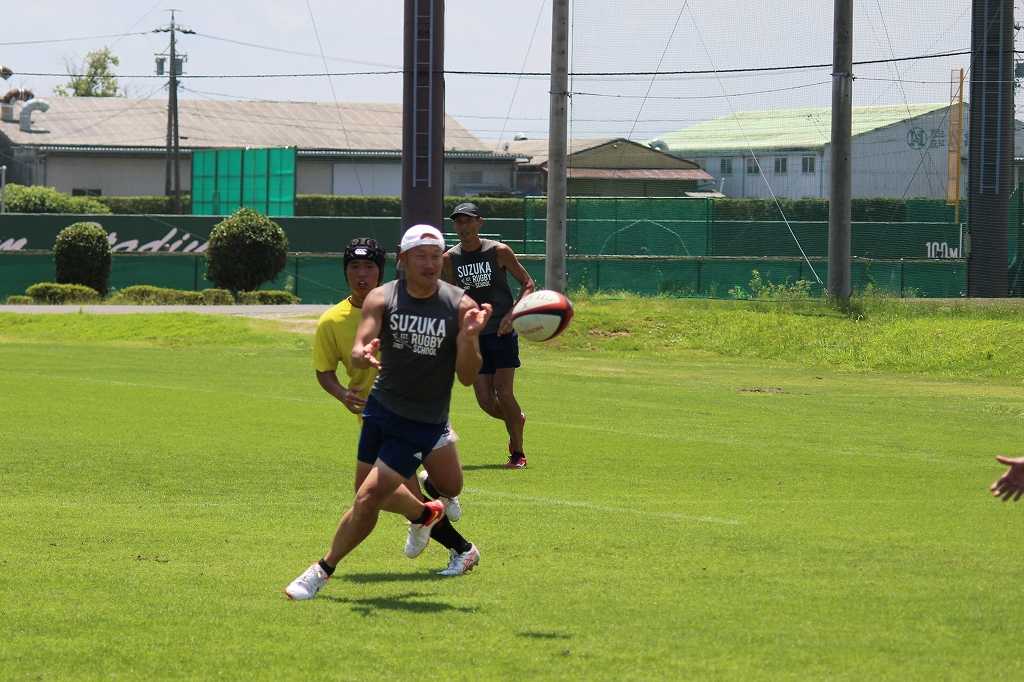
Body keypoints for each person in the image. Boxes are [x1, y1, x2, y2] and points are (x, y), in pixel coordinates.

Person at [285, 226, 491, 600]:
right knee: (366, 497)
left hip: (420, 419)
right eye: (421, 256)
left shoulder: (460, 306)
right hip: (380, 410)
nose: (429, 263)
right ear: (404, 259)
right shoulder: (383, 298)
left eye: (436, 256)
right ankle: (429, 516)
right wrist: (362, 353)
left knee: (369, 498)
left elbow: (466, 376)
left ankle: (321, 571)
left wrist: (469, 338)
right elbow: (360, 343)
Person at [443, 202, 536, 469]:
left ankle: (517, 452)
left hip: (502, 332)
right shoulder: (450, 259)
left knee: (504, 392)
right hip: (474, 337)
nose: (463, 227)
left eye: (468, 221)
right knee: (485, 401)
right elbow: (449, 296)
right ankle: (516, 419)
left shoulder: (498, 251)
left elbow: (528, 283)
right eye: (458, 222)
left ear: (479, 223)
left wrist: (512, 315)